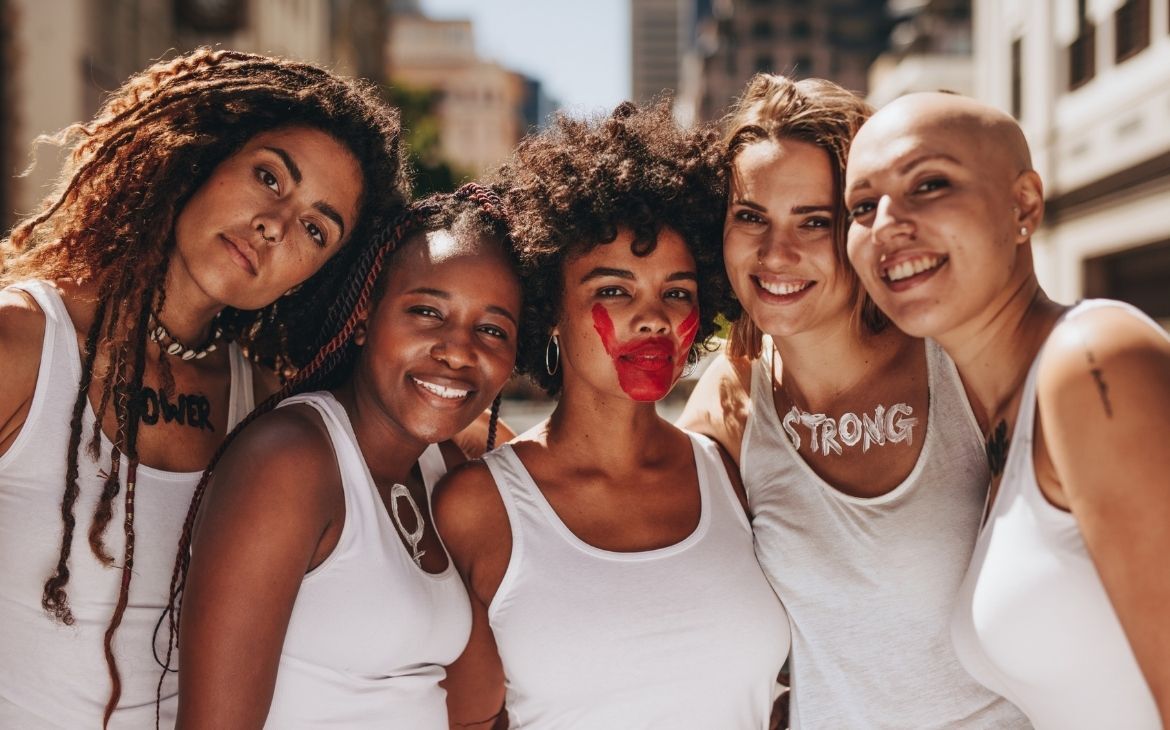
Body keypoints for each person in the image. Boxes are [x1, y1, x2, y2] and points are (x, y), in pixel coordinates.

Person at [0, 48, 408, 728]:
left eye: (316, 228)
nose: (275, 226)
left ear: (315, 277)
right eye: (270, 177)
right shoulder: (23, 345)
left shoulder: (271, 412)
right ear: (202, 154)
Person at [679, 74, 1028, 728]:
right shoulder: (730, 396)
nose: (776, 253)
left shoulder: (959, 356)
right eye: (751, 217)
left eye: (814, 221)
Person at [433, 101, 788, 729]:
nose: (652, 317)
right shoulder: (477, 506)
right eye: (613, 290)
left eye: (675, 292)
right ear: (549, 309)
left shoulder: (732, 473)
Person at [844, 91, 1170, 729]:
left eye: (929, 184)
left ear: (1023, 204)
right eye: (862, 206)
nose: (886, 224)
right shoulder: (991, 424)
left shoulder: (1093, 360)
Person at [170, 185, 523, 729]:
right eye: (427, 311)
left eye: (492, 329)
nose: (458, 350)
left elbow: (475, 709)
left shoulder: (444, 470)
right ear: (364, 316)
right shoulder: (290, 460)